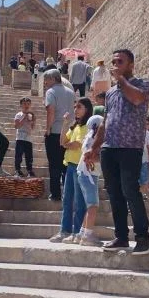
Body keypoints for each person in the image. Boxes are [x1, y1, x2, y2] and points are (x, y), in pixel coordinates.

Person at [83, 49, 149, 255]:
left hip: (130, 147)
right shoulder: (111, 93)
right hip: (109, 148)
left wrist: (121, 80)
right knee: (114, 193)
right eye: (113, 61)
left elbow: (137, 99)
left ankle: (143, 238)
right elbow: (105, 121)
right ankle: (121, 237)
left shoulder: (142, 84)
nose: (115, 65)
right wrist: (93, 148)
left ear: (131, 64)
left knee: (130, 191)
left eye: (119, 61)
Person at [50, 98, 93, 244]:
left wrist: (69, 144)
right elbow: (63, 142)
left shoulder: (88, 126)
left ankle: (77, 232)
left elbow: (77, 144)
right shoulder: (74, 126)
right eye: (74, 107)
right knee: (67, 199)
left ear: (86, 109)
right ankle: (64, 230)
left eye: (79, 107)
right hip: (70, 166)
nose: (75, 109)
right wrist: (65, 123)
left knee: (79, 201)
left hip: (80, 167)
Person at [44, 68, 76, 201]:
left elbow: (50, 111)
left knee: (54, 164)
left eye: (46, 79)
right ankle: (68, 193)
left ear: (53, 79)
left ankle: (56, 193)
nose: (45, 83)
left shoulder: (51, 92)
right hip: (69, 133)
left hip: (56, 132)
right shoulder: (71, 92)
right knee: (66, 163)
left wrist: (48, 129)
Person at [77, 114, 104, 246]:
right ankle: (87, 236)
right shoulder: (94, 140)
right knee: (93, 206)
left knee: (90, 206)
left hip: (85, 174)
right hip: (88, 175)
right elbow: (91, 157)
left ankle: (82, 233)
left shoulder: (89, 137)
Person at [14, 97, 36, 177]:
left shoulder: (31, 115)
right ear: (21, 105)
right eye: (24, 104)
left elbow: (33, 127)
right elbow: (16, 126)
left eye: (28, 104)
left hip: (28, 139)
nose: (26, 106)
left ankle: (29, 170)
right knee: (18, 155)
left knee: (29, 156)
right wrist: (24, 118)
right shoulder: (18, 115)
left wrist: (33, 120)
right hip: (20, 138)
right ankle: (17, 170)